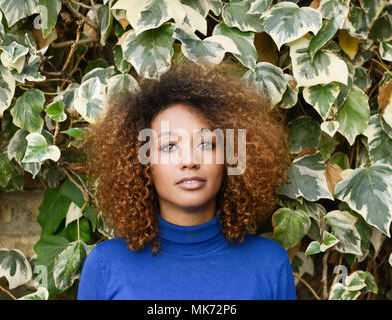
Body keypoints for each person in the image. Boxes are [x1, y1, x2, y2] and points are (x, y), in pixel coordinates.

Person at [77, 60, 297, 300]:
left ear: (229, 158)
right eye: (169, 146)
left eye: (206, 144)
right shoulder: (105, 265)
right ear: (142, 163)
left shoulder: (269, 263)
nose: (190, 160)